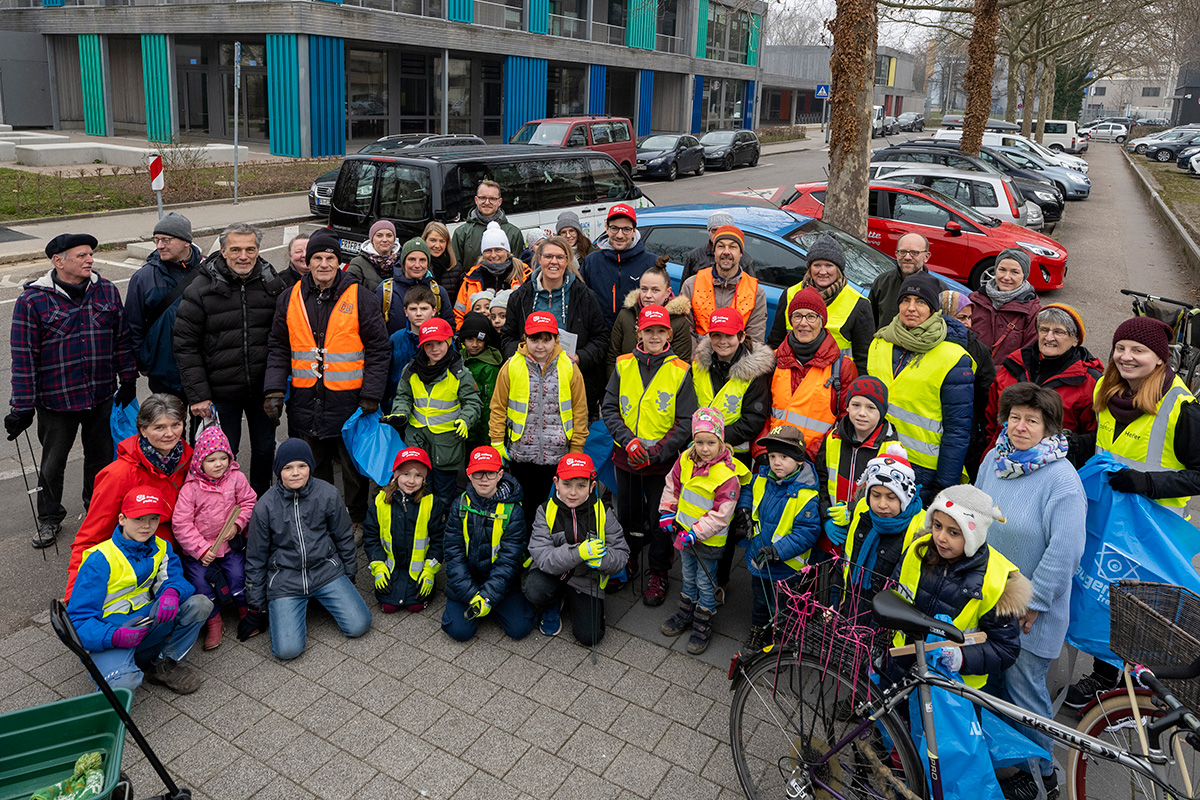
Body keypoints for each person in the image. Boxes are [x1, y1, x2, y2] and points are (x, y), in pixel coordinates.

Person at [975, 382, 1086, 798]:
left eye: (1032, 421)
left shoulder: (1061, 479)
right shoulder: (994, 459)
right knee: (990, 687)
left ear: (1049, 427)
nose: (1021, 427)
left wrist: (1034, 600)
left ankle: (1043, 775)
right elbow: (976, 514)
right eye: (1015, 417)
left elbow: (1066, 550)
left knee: (1025, 694)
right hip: (986, 597)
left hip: (1029, 611)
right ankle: (1007, 769)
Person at [8, 232, 138, 549]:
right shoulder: (32, 300)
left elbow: (121, 339)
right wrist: (22, 407)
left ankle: (97, 514)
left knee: (101, 461)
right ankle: (50, 519)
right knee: (52, 464)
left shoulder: (106, 290)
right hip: (56, 402)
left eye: (90, 254)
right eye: (81, 255)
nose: (89, 259)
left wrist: (129, 378)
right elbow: (23, 358)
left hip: (100, 395)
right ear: (58, 260)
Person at [264, 231, 390, 526]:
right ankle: (317, 521)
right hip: (306, 401)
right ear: (307, 263)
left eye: (329, 258)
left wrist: (371, 393)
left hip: (350, 403)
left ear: (339, 262)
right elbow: (279, 347)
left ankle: (356, 521)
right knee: (312, 467)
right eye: (317, 258)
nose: (323, 264)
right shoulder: (289, 297)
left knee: (352, 471)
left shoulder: (360, 297)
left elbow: (378, 349)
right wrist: (273, 391)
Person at [174, 222, 286, 495]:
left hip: (262, 389)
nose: (243, 256)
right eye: (235, 249)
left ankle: (259, 501)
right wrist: (198, 395)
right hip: (220, 392)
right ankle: (222, 504)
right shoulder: (201, 288)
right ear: (223, 251)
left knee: (263, 448)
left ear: (259, 250)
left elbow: (283, 340)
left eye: (250, 249)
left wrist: (277, 386)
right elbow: (185, 345)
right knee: (222, 454)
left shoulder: (273, 285)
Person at [67, 488, 210, 694]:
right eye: (139, 518)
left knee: (200, 604)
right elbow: (78, 622)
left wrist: (172, 592)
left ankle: (163, 663)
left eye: (153, 518)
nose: (147, 526)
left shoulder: (162, 546)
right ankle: (122, 668)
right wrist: (113, 636)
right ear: (122, 519)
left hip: (147, 624)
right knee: (122, 686)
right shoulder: (99, 560)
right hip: (113, 635)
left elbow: (175, 579)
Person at [240, 438, 372, 659]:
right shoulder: (265, 507)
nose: (295, 473)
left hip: (325, 572)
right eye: (287, 467)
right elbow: (255, 557)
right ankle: (295, 607)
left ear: (310, 466)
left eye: (302, 466)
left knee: (359, 625)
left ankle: (319, 599)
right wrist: (256, 605)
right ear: (278, 471)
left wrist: (349, 573)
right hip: (286, 580)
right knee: (288, 651)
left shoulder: (328, 494)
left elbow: (343, 536)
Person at [889, 484, 1031, 689]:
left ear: (974, 536)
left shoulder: (997, 581)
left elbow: (1005, 649)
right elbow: (894, 594)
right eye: (937, 525)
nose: (940, 537)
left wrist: (961, 657)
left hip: (952, 687)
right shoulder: (918, 550)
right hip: (901, 667)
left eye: (954, 532)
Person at [601, 304, 697, 604]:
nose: (654, 336)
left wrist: (656, 453)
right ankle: (628, 559)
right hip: (626, 457)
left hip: (662, 463)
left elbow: (686, 421)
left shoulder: (681, 370)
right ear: (638, 332)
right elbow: (609, 407)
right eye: (648, 330)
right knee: (627, 515)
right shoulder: (623, 364)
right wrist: (628, 441)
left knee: (660, 519)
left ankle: (658, 570)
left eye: (660, 330)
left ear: (668, 333)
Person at [64, 394, 192, 599]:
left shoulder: (190, 460)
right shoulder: (118, 475)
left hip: (185, 548)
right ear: (143, 429)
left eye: (176, 424)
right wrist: (75, 599)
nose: (170, 434)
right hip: (138, 556)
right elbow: (90, 537)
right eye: (159, 427)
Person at [868, 272, 974, 504]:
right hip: (877, 454)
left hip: (923, 469)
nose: (911, 308)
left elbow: (957, 431)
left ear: (933, 309)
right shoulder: (879, 342)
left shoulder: (954, 358)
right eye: (905, 300)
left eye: (921, 302)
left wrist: (944, 485)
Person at [692, 308, 775, 603]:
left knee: (722, 524)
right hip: (699, 453)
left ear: (741, 336)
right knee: (696, 513)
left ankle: (720, 581)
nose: (721, 341)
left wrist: (712, 439)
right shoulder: (699, 365)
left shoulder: (754, 372)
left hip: (733, 458)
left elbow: (754, 420)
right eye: (715, 335)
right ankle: (695, 579)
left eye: (728, 335)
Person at [658, 408, 750, 655]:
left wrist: (695, 532)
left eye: (711, 442)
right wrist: (668, 511)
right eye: (699, 442)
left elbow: (722, 514)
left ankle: (704, 619)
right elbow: (672, 486)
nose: (705, 448)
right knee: (687, 575)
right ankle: (686, 610)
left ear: (721, 441)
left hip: (707, 540)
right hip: (684, 534)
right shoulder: (685, 460)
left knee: (705, 581)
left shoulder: (727, 474)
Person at [490, 311, 589, 526]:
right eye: (535, 339)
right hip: (521, 454)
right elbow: (498, 407)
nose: (541, 346)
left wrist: (576, 448)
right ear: (525, 338)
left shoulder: (570, 369)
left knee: (554, 509)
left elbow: (580, 411)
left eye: (547, 340)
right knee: (523, 508)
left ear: (556, 340)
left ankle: (549, 554)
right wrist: (497, 442)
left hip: (559, 455)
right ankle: (525, 552)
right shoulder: (511, 367)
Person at [171, 424, 258, 651]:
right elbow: (181, 523)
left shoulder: (236, 479)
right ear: (199, 462)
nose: (219, 464)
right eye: (211, 460)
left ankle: (243, 609)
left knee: (239, 574)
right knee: (200, 582)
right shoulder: (191, 489)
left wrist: (238, 525)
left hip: (229, 545)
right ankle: (214, 620)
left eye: (223, 458)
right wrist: (199, 549)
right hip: (198, 551)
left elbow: (249, 502)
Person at [525, 453, 628, 643]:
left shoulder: (604, 513)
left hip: (585, 580)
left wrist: (602, 561)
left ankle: (572, 600)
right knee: (534, 590)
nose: (573, 493)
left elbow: (621, 554)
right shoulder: (545, 510)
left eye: (581, 486)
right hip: (552, 574)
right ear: (556, 482)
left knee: (590, 637)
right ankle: (553, 603)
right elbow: (542, 557)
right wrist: (578, 552)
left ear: (592, 486)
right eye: (566, 484)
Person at [498, 235, 610, 407]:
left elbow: (601, 338)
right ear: (539, 258)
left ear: (567, 261)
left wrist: (581, 358)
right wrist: (522, 356)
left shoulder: (585, 296)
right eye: (548, 256)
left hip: (572, 382)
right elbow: (507, 337)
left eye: (560, 257)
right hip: (528, 384)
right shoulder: (521, 297)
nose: (554, 262)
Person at [985, 303, 1102, 467]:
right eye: (1044, 330)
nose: (1049, 337)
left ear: (1075, 339)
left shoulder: (1088, 381)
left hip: (1052, 468)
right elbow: (991, 418)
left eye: (1059, 332)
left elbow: (1096, 437)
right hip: (1000, 459)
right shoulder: (1013, 364)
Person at [737, 425, 821, 650]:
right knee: (760, 600)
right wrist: (744, 508)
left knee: (782, 607)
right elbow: (747, 490)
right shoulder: (762, 477)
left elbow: (807, 532)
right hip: (759, 557)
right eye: (772, 456)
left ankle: (781, 643)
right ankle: (758, 632)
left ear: (799, 460)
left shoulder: (806, 493)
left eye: (784, 457)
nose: (776, 462)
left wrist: (778, 551)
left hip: (785, 567)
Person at [440, 446, 535, 642]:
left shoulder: (513, 511)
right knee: (459, 632)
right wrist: (471, 593)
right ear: (468, 474)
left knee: (520, 629)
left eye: (490, 473)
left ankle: (494, 605)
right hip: (467, 580)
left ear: (500, 474)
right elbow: (452, 552)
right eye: (478, 473)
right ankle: (479, 605)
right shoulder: (459, 504)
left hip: (502, 582)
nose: (484, 479)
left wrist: (488, 596)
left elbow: (509, 560)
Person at [389, 317, 483, 508]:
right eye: (429, 344)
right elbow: (403, 397)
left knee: (445, 493)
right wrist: (400, 412)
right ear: (422, 347)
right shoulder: (411, 370)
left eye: (439, 343)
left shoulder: (459, 373)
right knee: (418, 488)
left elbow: (473, 401)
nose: (435, 349)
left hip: (447, 442)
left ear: (448, 342)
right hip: (417, 438)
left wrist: (465, 420)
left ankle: (442, 529)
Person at [766, 288, 858, 460]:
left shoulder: (842, 367)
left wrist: (809, 455)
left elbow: (846, 421)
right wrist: (764, 452)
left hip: (814, 462)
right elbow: (760, 412)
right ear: (790, 320)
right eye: (797, 316)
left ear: (822, 321)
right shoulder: (774, 359)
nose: (803, 323)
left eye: (811, 316)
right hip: (771, 459)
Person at [837, 443, 925, 620]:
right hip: (852, 607)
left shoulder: (919, 527)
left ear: (905, 497)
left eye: (891, 497)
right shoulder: (863, 509)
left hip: (887, 620)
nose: (882, 504)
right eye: (875, 495)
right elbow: (846, 559)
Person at [814, 376, 899, 557]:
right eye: (856, 405)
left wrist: (852, 510)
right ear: (847, 407)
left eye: (871, 407)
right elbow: (819, 480)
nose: (862, 413)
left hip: (865, 535)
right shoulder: (832, 439)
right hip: (831, 532)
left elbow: (890, 500)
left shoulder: (890, 450)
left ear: (882, 412)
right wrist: (825, 518)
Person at [125, 212, 203, 404]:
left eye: (166, 240)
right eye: (157, 240)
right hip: (162, 371)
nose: (160, 246)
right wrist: (143, 360)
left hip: (202, 370)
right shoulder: (143, 278)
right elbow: (132, 325)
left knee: (203, 431)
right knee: (169, 431)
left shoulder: (208, 271)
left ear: (186, 241)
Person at [768, 234, 874, 373]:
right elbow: (776, 342)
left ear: (839, 269)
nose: (822, 272)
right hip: (791, 378)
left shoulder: (858, 304)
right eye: (817, 265)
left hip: (835, 383)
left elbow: (864, 359)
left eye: (829, 266)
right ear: (809, 268)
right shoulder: (790, 295)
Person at [363, 447, 446, 613]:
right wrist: (378, 566)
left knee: (415, 606)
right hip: (390, 568)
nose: (411, 480)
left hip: (419, 571)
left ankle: (425, 581)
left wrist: (430, 570)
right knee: (388, 607)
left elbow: (439, 539)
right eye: (406, 474)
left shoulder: (432, 503)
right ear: (396, 475)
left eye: (418, 475)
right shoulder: (381, 501)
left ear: (424, 479)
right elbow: (370, 536)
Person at [940, 289, 996, 480]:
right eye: (961, 317)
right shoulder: (925, 344)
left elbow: (986, 397)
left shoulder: (979, 351)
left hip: (965, 434)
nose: (967, 323)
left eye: (969, 318)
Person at [679, 225, 768, 343]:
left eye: (732, 247)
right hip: (697, 359)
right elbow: (683, 333)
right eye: (721, 246)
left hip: (738, 360)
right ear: (714, 251)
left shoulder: (756, 293)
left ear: (741, 253)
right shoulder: (691, 285)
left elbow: (754, 340)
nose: (726, 252)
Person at [581, 204, 660, 328]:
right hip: (599, 337)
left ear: (634, 231)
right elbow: (582, 302)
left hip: (636, 337)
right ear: (606, 228)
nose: (619, 235)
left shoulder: (651, 263)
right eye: (614, 228)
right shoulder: (592, 261)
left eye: (626, 229)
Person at [606, 264, 693, 376]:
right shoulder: (626, 315)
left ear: (667, 292)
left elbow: (680, 366)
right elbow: (613, 357)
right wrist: (617, 387)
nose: (648, 295)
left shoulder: (679, 323)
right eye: (644, 289)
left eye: (655, 290)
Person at [448, 181, 525, 296]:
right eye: (483, 198)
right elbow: (455, 271)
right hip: (471, 295)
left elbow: (518, 268)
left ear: (499, 202)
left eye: (492, 199)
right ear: (476, 200)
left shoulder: (513, 233)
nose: (487, 202)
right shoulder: (461, 233)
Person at [968, 247, 1042, 364]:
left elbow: (1029, 354)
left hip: (1006, 378)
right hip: (969, 374)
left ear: (1024, 275)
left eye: (1015, 272)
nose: (1007, 277)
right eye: (1002, 269)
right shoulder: (974, 300)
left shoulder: (1033, 311)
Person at [453, 222, 530, 330]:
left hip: (515, 336)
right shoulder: (471, 278)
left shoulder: (525, 274)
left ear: (507, 251)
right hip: (479, 340)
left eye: (498, 250)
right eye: (488, 251)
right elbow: (459, 314)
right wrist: (465, 335)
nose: (493, 255)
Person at [870, 233, 945, 328]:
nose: (907, 257)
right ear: (896, 254)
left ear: (926, 257)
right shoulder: (882, 283)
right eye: (903, 252)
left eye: (914, 253)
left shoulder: (938, 288)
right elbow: (870, 323)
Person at [378, 237, 453, 334]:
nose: (417, 265)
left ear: (428, 263)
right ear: (403, 263)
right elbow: (375, 330)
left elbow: (449, 328)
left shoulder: (438, 292)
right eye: (412, 259)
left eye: (422, 260)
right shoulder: (386, 291)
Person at [384, 285, 438, 407]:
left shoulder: (443, 340)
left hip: (432, 406)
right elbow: (386, 374)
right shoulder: (395, 339)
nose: (418, 313)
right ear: (405, 311)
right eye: (413, 309)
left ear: (434, 311)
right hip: (398, 403)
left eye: (424, 308)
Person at [459, 311, 504, 447]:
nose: (474, 344)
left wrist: (487, 437)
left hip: (481, 431)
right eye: (470, 339)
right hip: (462, 425)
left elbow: (489, 404)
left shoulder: (490, 367)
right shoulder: (457, 360)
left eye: (479, 340)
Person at [681, 211, 755, 280]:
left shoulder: (745, 260)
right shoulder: (694, 256)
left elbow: (751, 287)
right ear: (709, 232)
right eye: (714, 230)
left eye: (723, 230)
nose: (718, 234)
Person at [346, 220, 401, 292]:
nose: (384, 240)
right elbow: (348, 291)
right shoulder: (358, 263)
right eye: (379, 235)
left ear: (394, 239)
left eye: (389, 235)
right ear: (372, 240)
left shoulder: (401, 261)